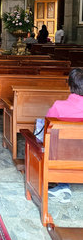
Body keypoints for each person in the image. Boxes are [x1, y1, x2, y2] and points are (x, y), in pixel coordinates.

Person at [44, 68, 83, 203]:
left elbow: (46, 128)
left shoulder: (59, 106)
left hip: (63, 157)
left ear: (70, 86)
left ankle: (63, 184)